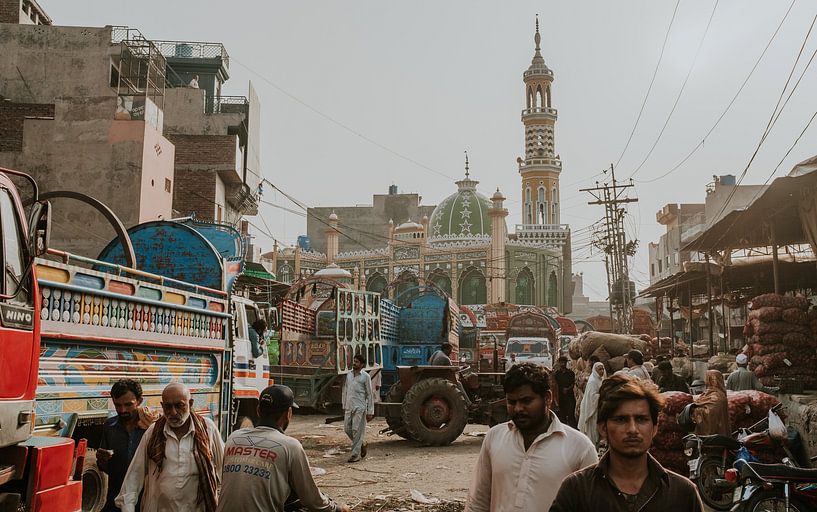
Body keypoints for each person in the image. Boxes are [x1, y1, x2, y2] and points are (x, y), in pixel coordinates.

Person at [550, 374, 704, 511]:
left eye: (641, 419)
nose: (632, 429)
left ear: (654, 428)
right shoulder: (577, 489)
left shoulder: (682, 493)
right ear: (603, 428)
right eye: (621, 419)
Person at [465, 363, 598, 511]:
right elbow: (478, 502)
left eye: (526, 401)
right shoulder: (494, 438)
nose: (518, 409)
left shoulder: (580, 448)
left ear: (547, 398)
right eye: (512, 402)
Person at [216, 385, 350, 512]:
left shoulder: (234, 438)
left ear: (258, 411)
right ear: (288, 414)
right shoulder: (290, 446)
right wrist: (337, 508)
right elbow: (312, 499)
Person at [116, 382, 225, 512]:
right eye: (168, 407)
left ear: (190, 404)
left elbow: (225, 471)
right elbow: (133, 477)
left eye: (179, 406)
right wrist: (128, 507)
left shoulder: (208, 429)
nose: (173, 412)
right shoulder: (153, 432)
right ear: (162, 406)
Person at [98, 379, 157, 512]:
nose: (122, 410)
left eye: (128, 405)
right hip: (116, 500)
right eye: (117, 405)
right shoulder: (109, 426)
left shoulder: (151, 428)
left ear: (140, 401)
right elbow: (106, 468)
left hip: (144, 501)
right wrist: (102, 461)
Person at [342, 354, 374, 463]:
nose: (354, 363)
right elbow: (346, 390)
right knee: (347, 429)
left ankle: (355, 455)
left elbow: (370, 394)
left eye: (356, 362)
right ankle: (362, 444)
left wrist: (370, 411)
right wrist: (344, 404)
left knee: (357, 430)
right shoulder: (349, 375)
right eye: (354, 361)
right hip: (349, 406)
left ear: (362, 365)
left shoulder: (366, 377)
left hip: (360, 407)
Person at [692, 370, 730, 436]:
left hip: (714, 435)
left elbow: (709, 412)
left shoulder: (717, 396)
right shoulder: (712, 394)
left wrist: (695, 411)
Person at [578, 362, 606, 445]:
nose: (602, 371)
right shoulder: (592, 382)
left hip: (597, 408)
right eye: (599, 369)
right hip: (591, 410)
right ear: (595, 370)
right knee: (592, 432)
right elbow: (592, 398)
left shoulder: (600, 380)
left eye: (603, 369)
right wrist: (603, 395)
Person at [553, 356, 577, 428]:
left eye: (564, 362)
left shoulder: (571, 373)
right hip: (560, 397)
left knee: (570, 415)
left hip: (569, 397)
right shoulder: (557, 374)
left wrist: (567, 389)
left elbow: (573, 384)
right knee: (561, 416)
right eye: (561, 362)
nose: (563, 364)